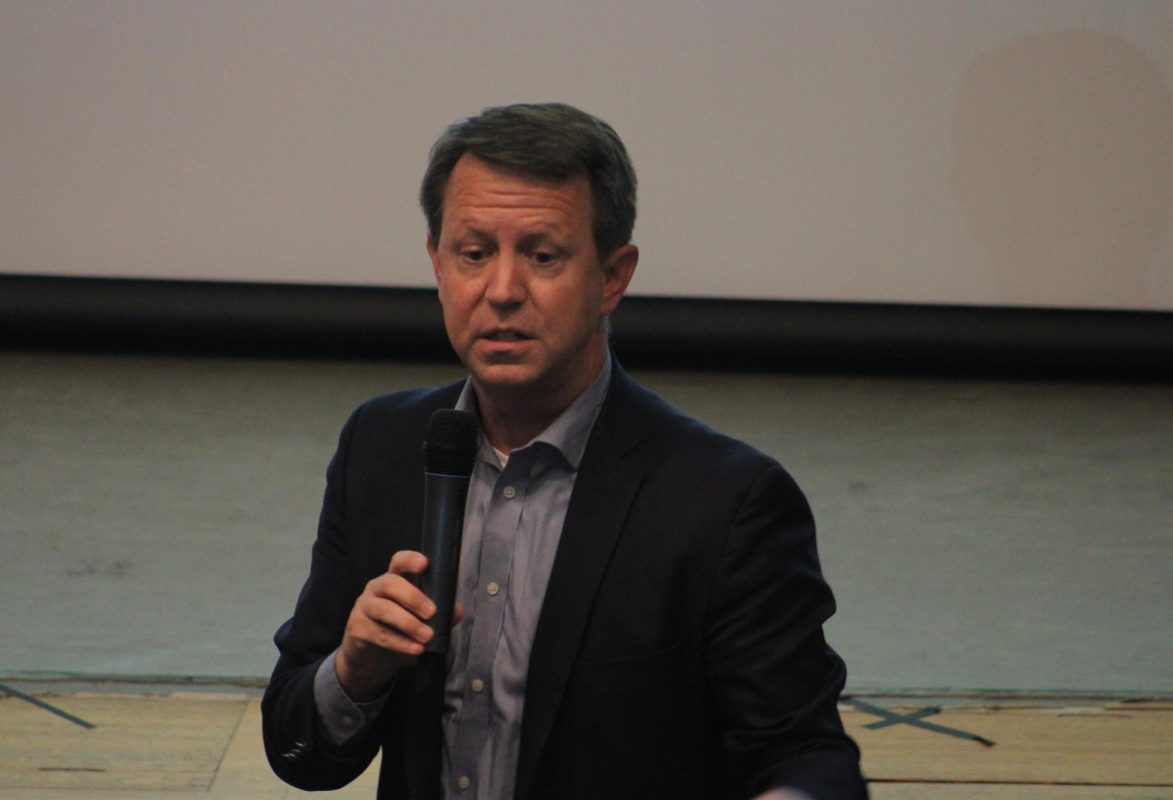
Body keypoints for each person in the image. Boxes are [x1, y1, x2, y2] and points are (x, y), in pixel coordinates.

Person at [262, 103, 867, 800]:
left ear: (613, 277)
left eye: (542, 256)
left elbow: (804, 759)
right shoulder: (383, 446)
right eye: (474, 253)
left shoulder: (726, 502)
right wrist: (353, 672)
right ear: (437, 262)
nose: (502, 291)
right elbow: (297, 749)